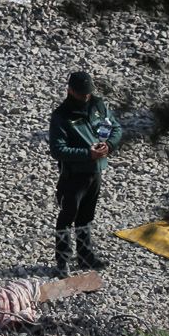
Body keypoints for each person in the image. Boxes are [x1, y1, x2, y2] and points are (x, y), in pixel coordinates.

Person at [47, 69, 122, 277]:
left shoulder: (98, 105)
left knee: (87, 216)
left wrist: (109, 146)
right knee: (67, 217)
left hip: (95, 172)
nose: (86, 96)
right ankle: (62, 261)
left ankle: (85, 256)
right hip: (73, 176)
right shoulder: (61, 115)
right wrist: (87, 154)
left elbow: (115, 128)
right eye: (81, 93)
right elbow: (58, 149)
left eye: (88, 92)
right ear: (70, 90)